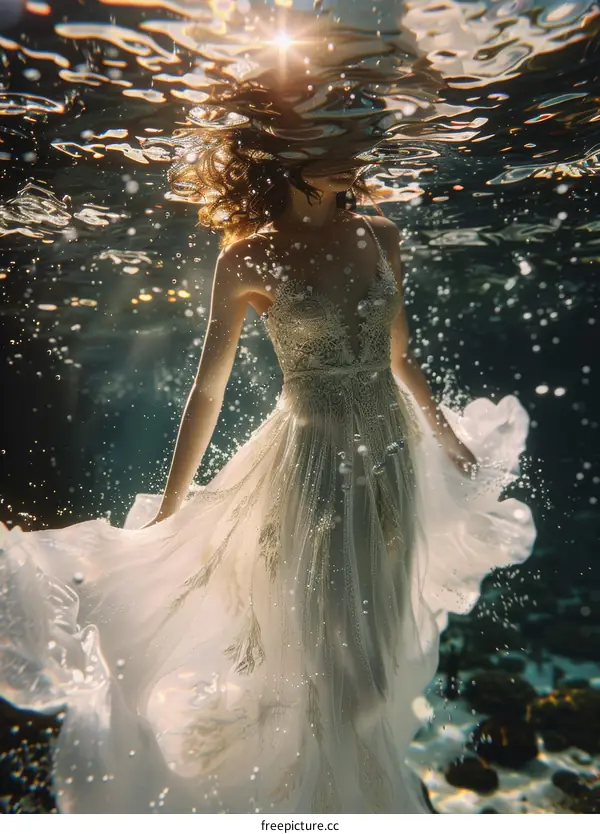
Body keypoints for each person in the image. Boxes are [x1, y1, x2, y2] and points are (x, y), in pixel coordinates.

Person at [0, 127, 536, 814]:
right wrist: (170, 507)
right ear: (293, 153)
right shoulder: (248, 258)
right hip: (311, 466)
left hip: (392, 456)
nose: (364, 141)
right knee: (326, 658)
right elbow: (208, 390)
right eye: (344, 128)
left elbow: (400, 357)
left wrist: (444, 436)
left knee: (376, 656)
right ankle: (301, 811)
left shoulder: (381, 234)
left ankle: (359, 794)